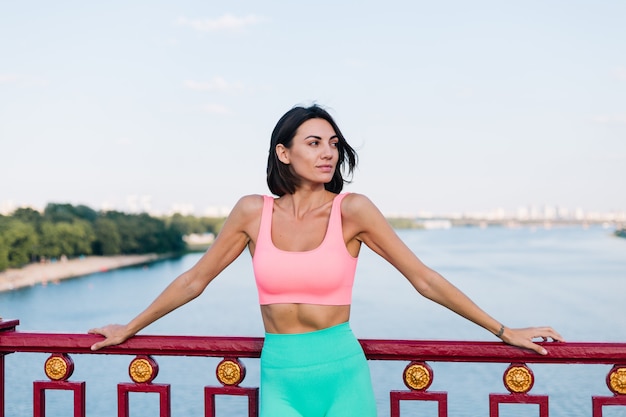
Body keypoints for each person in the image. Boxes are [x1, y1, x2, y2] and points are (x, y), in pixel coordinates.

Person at [89, 104, 563, 417]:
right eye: (314, 142)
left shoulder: (352, 210)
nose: (328, 153)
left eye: (333, 143)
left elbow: (423, 279)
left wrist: (504, 332)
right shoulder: (252, 211)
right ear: (284, 152)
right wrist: (130, 327)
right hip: (280, 376)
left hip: (341, 374)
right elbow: (195, 280)